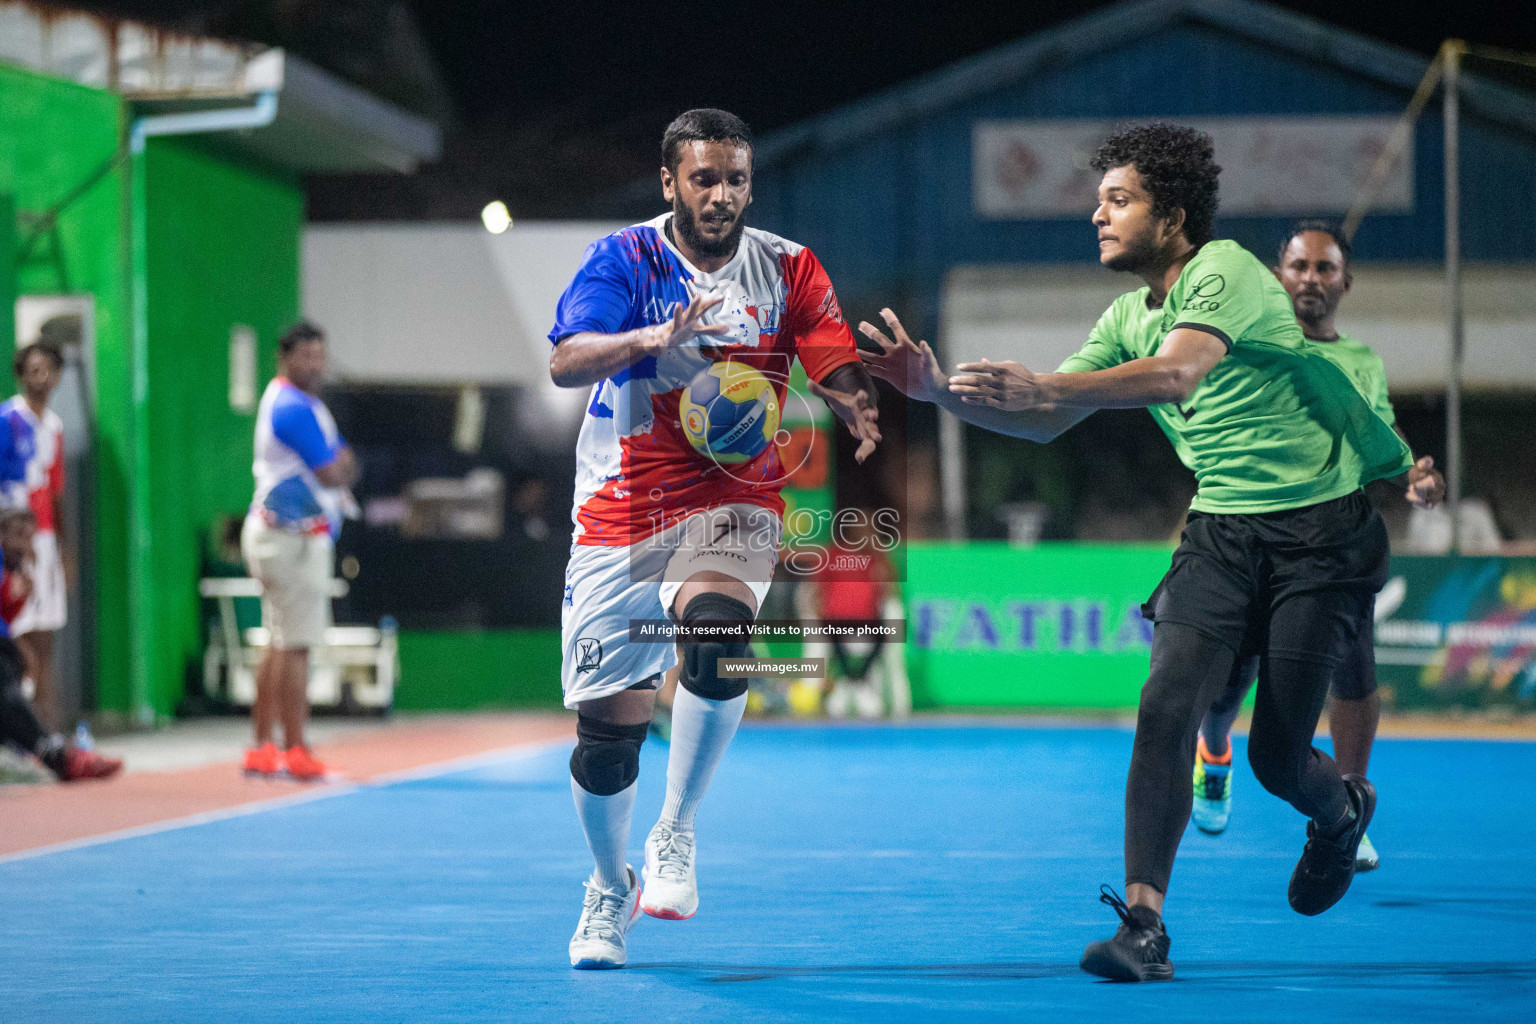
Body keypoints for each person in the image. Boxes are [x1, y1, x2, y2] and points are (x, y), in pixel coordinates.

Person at [861, 123, 1442, 982]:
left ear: (1171, 214)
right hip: (1222, 529)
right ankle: (1144, 927)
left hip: (1321, 532)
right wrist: (936, 391)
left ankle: (1342, 808)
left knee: (1277, 758)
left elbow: (1176, 376)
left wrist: (1048, 383)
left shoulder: (1230, 272)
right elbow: (1050, 416)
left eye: (1118, 200)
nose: (1098, 216)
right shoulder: (1127, 315)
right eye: (1099, 200)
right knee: (1164, 707)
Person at [549, 108, 880, 969]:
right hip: (619, 509)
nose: (723, 195)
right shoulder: (625, 260)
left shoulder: (788, 266)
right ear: (671, 183)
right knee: (605, 745)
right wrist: (647, 338)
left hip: (733, 495)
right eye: (705, 179)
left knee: (719, 633)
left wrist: (851, 394)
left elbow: (828, 350)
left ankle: (677, 829)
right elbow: (566, 358)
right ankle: (605, 885)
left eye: (736, 178)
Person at [1191, 222, 1445, 873]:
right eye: (1299, 265)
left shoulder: (1362, 361)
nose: (1311, 277)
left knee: (1354, 669)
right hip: (1250, 532)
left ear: (1344, 283)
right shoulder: (1247, 344)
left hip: (1333, 544)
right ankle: (1213, 751)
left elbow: (1379, 436)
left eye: (1325, 268)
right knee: (1226, 686)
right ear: (1279, 276)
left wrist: (1413, 475)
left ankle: (1351, 806)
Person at [241, 322, 357, 782]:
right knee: (297, 646)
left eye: (321, 356)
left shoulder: (308, 405)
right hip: (289, 539)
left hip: (283, 536)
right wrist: (342, 467)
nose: (316, 365)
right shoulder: (290, 407)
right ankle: (295, 749)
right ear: (283, 358)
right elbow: (334, 472)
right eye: (307, 356)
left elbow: (344, 461)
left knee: (278, 641)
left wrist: (342, 465)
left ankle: (262, 748)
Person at [0, 507, 119, 782]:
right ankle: (49, 750)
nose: (24, 544)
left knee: (12, 664)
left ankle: (37, 747)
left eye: (29, 537)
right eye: (17, 535)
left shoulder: (17, 573)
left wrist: (17, 598)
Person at [0, 341, 69, 732]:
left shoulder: (55, 427)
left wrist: (63, 547)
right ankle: (19, 729)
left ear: (58, 375)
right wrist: (12, 547)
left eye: (48, 369)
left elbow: (57, 491)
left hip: (43, 540)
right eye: (33, 369)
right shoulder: (6, 420)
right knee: (17, 634)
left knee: (45, 638)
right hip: (13, 541)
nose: (41, 378)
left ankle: (48, 732)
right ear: (21, 374)